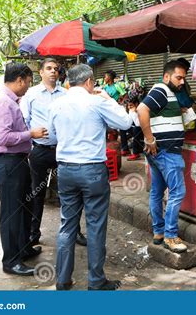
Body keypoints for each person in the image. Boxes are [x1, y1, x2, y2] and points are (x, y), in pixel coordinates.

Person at [48, 64, 132, 290]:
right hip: (92, 171)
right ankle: (96, 281)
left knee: (67, 225)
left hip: (65, 170)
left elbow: (52, 135)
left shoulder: (57, 104)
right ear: (88, 82)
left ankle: (63, 280)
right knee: (95, 226)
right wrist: (109, 99)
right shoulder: (97, 102)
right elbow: (125, 122)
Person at [0, 62, 48, 276]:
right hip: (7, 162)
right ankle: (11, 261)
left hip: (16, 162)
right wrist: (31, 134)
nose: (28, 87)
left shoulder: (10, 100)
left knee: (23, 208)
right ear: (19, 80)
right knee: (12, 213)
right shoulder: (3, 102)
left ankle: (23, 249)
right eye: (28, 82)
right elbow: (3, 138)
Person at [20, 58, 87, 247]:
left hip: (63, 150)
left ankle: (74, 232)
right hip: (39, 150)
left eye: (56, 69)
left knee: (70, 193)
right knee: (36, 193)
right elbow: (24, 120)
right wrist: (28, 146)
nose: (52, 72)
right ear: (40, 72)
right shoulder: (31, 94)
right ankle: (33, 234)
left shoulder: (66, 94)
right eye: (48, 68)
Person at [137, 60, 188, 253]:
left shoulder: (169, 93)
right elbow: (142, 109)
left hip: (161, 152)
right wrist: (149, 139)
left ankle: (159, 231)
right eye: (178, 77)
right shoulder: (161, 89)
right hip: (166, 152)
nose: (182, 81)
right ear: (166, 77)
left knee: (157, 191)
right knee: (177, 192)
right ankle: (171, 236)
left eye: (184, 77)